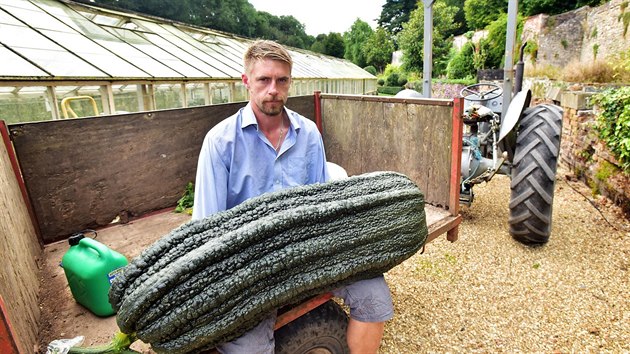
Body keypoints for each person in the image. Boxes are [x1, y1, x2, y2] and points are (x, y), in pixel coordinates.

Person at [192, 39, 394, 354]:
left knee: (375, 296)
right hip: (251, 270)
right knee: (249, 347)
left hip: (307, 255)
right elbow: (206, 228)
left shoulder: (309, 134)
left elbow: (320, 205)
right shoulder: (220, 142)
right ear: (247, 82)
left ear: (290, 83)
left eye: (281, 80)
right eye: (264, 79)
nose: (273, 89)